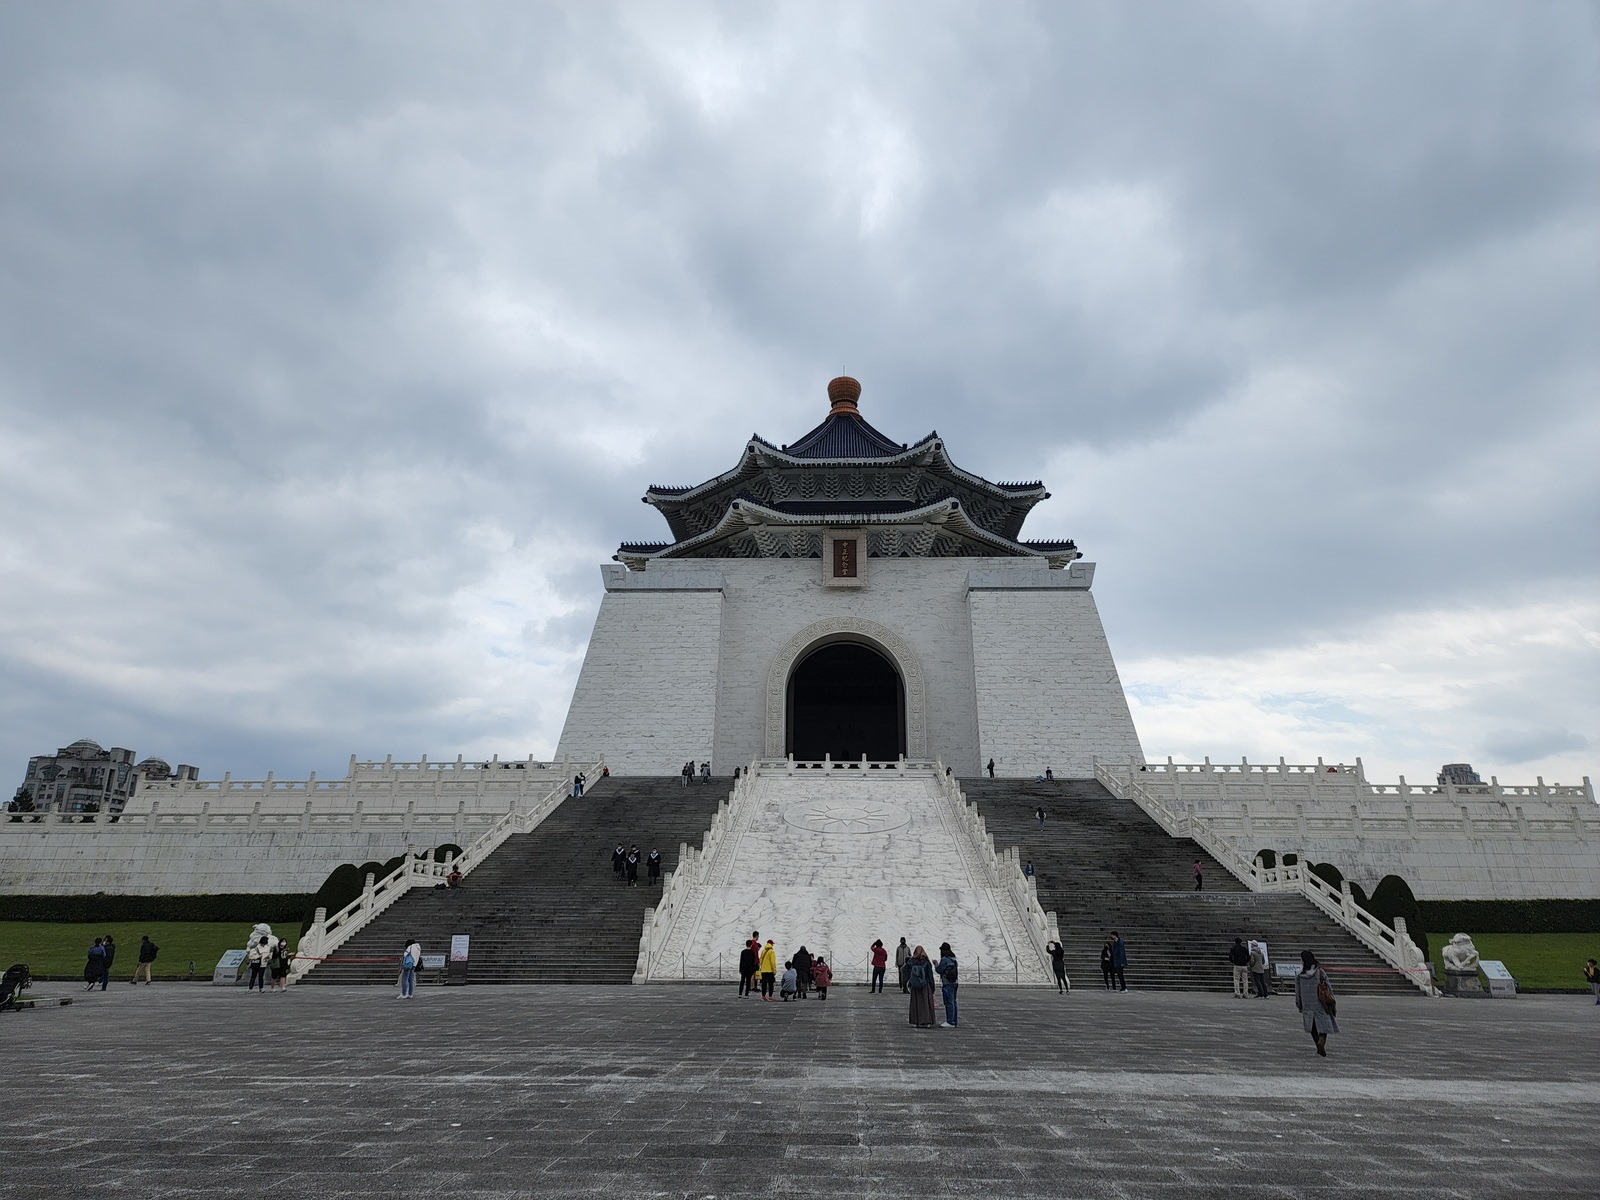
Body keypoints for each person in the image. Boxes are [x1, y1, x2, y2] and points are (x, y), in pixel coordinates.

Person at [1294, 950, 1338, 1056]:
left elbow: (1297, 991)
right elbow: (1328, 985)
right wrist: (1331, 998)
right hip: (1320, 1002)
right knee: (1324, 1023)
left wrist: (1299, 1004)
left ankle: (1318, 1044)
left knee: (1312, 1026)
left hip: (1307, 1004)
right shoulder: (1319, 972)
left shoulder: (1299, 974)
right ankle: (1322, 1040)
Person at [907, 946, 938, 1028]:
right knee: (925, 1003)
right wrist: (932, 988)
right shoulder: (926, 962)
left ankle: (915, 1021)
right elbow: (930, 976)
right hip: (925, 985)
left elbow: (906, 972)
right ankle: (926, 1020)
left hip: (915, 985)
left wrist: (909, 983)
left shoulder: (911, 961)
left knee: (915, 1003)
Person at [935, 942, 959, 1028]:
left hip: (947, 983)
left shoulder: (945, 960)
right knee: (954, 1002)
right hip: (955, 982)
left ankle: (950, 1021)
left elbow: (939, 970)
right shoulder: (953, 959)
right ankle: (954, 1020)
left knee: (949, 1002)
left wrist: (935, 964)